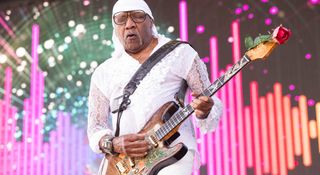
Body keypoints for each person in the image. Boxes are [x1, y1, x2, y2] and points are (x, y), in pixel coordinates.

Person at [87, 0, 223, 174]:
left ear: (151, 22)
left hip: (174, 153)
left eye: (137, 16)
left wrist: (204, 110)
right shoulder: (103, 72)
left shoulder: (180, 53)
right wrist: (113, 143)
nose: (129, 25)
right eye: (121, 19)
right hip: (125, 166)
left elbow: (209, 101)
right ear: (114, 28)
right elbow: (95, 127)